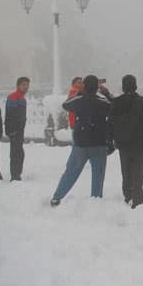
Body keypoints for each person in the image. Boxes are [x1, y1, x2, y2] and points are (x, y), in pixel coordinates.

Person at [50, 75, 113, 205]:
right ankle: (95, 199)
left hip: (80, 142)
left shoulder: (78, 101)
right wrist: (105, 93)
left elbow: (66, 104)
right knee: (98, 174)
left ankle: (57, 197)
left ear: (84, 86)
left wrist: (80, 91)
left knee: (71, 171)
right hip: (98, 142)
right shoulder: (103, 103)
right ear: (97, 87)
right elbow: (113, 106)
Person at [111, 74, 143, 208]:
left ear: (123, 87)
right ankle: (138, 200)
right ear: (135, 86)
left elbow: (111, 122)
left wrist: (112, 138)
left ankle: (128, 195)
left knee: (126, 170)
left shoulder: (116, 102)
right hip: (141, 143)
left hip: (123, 144)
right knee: (138, 173)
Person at [4, 77, 30, 181]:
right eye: (23, 85)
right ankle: (15, 176)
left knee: (19, 153)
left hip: (20, 130)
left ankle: (17, 174)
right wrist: (11, 130)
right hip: (14, 130)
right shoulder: (13, 97)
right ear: (18, 85)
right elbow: (11, 115)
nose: (26, 87)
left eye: (27, 85)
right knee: (16, 153)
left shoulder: (22, 98)